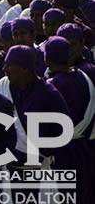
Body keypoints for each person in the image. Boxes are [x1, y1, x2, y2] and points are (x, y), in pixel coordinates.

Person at [0, 46, 71, 178]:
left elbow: (63, 132)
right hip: (9, 171)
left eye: (9, 65)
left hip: (39, 172)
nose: (4, 69)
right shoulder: (3, 85)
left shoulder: (49, 94)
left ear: (24, 69)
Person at [43, 36, 95, 201]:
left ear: (47, 58)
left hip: (63, 153)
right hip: (86, 146)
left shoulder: (51, 85)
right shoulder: (83, 76)